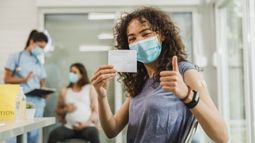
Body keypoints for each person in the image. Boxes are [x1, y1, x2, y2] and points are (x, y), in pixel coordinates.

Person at [91, 7, 229, 143]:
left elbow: (222, 136)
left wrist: (187, 95)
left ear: (162, 35)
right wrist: (101, 96)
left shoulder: (184, 72)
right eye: (132, 38)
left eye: (145, 34)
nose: (139, 41)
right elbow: (111, 130)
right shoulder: (141, 81)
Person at [4, 29, 48, 143]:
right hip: (20, 102)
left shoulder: (38, 61)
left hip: (37, 103)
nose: (41, 50)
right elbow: (7, 79)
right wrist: (23, 79)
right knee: (15, 135)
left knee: (33, 136)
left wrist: (44, 90)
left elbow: (42, 79)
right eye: (40, 46)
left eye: (43, 48)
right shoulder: (16, 57)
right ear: (32, 42)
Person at [48, 63, 100, 143]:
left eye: (74, 72)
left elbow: (95, 111)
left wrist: (86, 124)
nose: (71, 74)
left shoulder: (90, 88)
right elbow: (58, 111)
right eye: (70, 72)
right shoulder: (65, 91)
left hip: (87, 127)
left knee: (94, 132)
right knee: (53, 134)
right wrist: (66, 109)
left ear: (81, 74)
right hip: (69, 127)